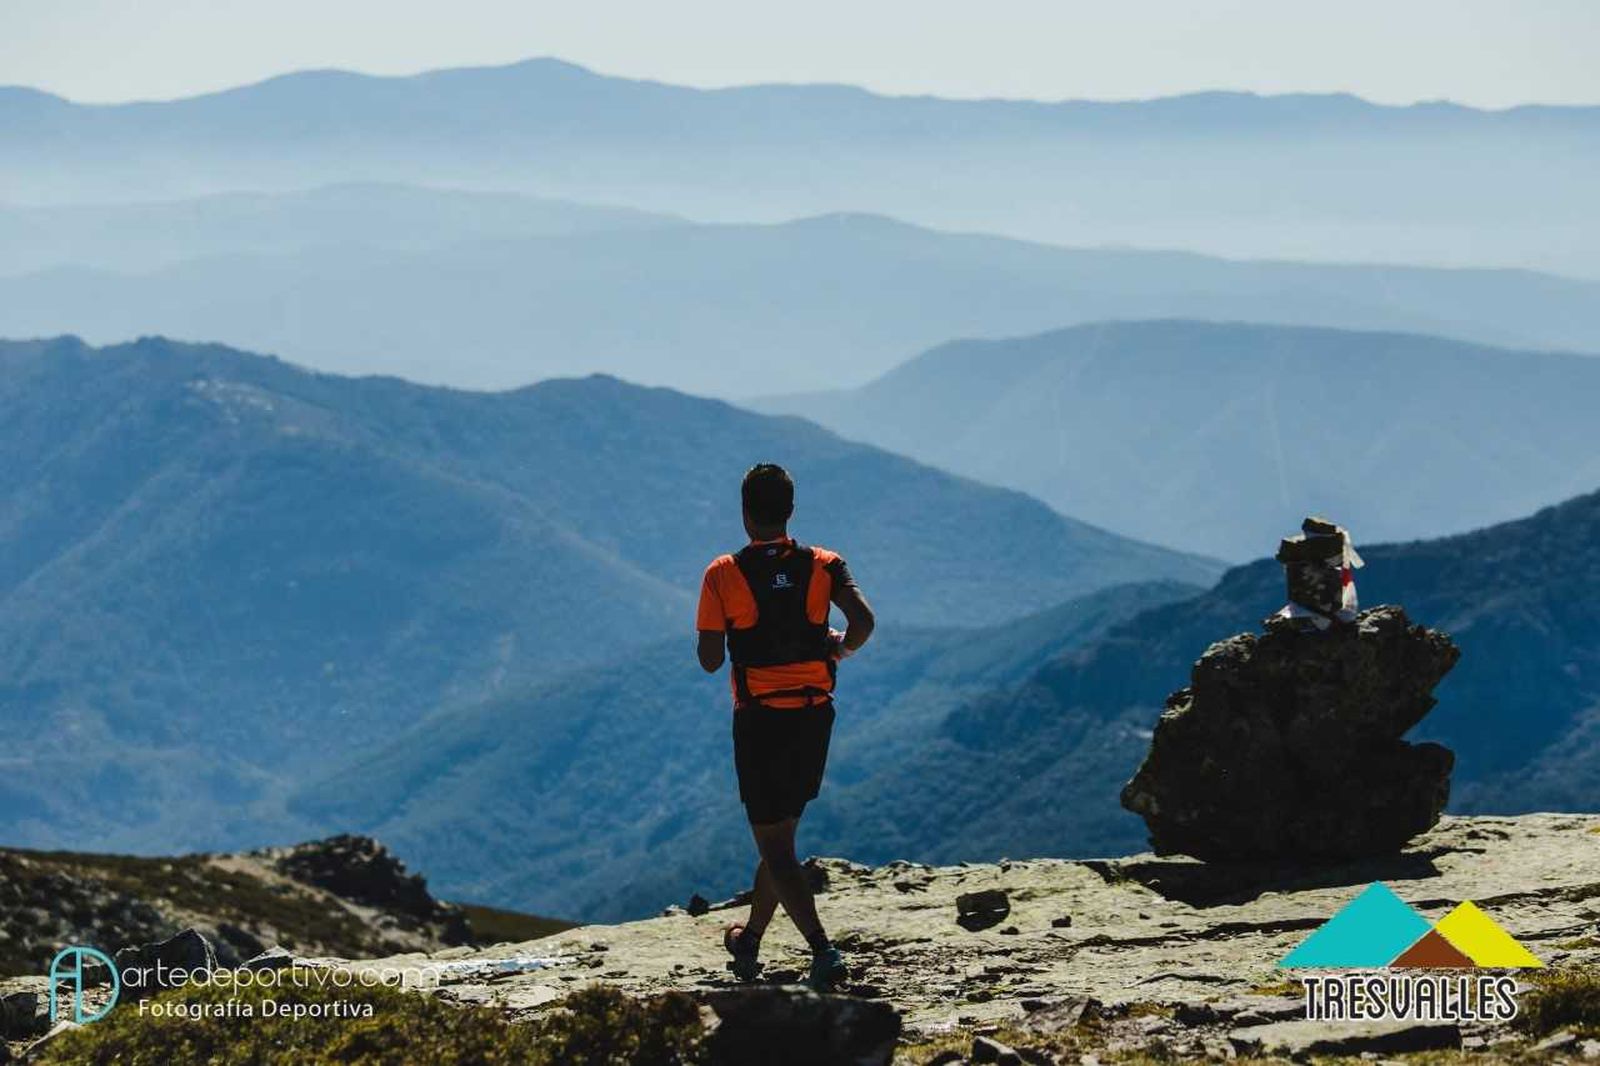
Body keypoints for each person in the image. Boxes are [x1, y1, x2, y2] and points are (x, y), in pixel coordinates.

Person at [696, 463, 875, 991]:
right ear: (791, 511)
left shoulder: (722, 573)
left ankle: (823, 950)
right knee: (781, 840)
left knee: (775, 846)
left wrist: (725, 628)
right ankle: (749, 939)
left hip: (760, 720)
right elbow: (864, 622)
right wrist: (838, 647)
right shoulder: (825, 564)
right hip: (814, 715)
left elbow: (710, 660)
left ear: (744, 512)